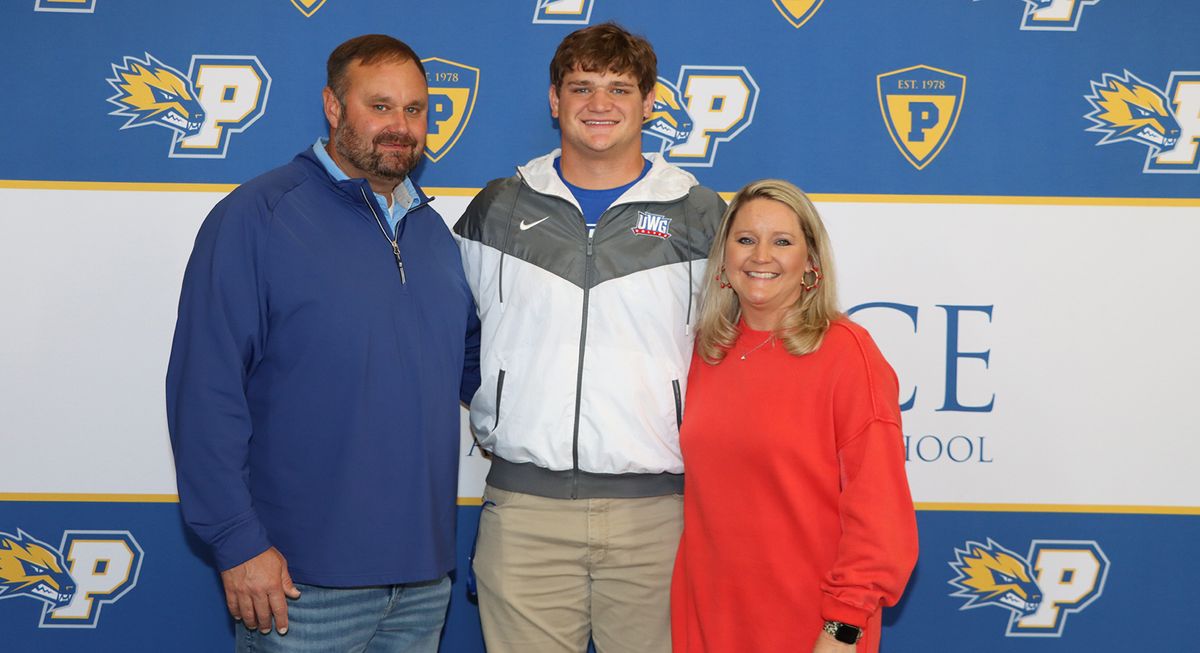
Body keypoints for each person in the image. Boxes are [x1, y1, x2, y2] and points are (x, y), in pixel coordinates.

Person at [166, 34, 480, 652]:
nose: (401, 126)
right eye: (380, 106)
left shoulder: (432, 232)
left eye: (415, 110)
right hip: (299, 583)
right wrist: (237, 541)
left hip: (421, 583)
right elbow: (205, 389)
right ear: (334, 108)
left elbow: (477, 367)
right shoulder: (260, 216)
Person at [453, 22, 725, 653]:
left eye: (620, 88)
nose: (599, 104)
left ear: (650, 102)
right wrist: (505, 399)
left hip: (660, 518)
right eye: (581, 87)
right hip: (524, 514)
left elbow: (736, 349)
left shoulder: (701, 214)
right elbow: (455, 335)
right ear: (554, 99)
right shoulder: (497, 207)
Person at [670, 179, 919, 653]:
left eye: (782, 241)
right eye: (745, 240)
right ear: (723, 259)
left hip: (811, 628)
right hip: (708, 621)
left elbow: (880, 511)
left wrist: (843, 627)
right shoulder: (707, 350)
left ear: (810, 263)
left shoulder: (847, 354)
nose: (761, 256)